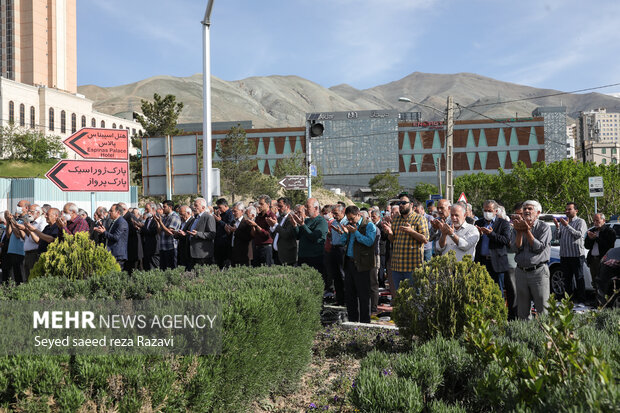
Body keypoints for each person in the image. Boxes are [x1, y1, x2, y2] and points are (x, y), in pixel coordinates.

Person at [511, 200, 552, 319]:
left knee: (543, 309)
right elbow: (515, 248)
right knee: (522, 310)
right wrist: (519, 231)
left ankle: (545, 335)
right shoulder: (516, 227)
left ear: (538, 212)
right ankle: (525, 335)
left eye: (530, 209)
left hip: (538, 272)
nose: (527, 211)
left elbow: (538, 247)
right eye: (525, 209)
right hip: (521, 272)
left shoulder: (544, 228)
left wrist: (527, 231)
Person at [382, 194, 429, 292]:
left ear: (411, 204)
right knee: (400, 298)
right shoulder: (396, 220)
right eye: (399, 203)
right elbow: (393, 240)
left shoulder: (419, 219)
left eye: (403, 203)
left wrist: (411, 231)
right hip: (397, 267)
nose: (401, 205)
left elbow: (425, 239)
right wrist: (390, 233)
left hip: (412, 267)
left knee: (414, 298)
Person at [341, 205, 377, 323]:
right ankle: (352, 321)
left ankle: (365, 322)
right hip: (349, 263)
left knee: (363, 296)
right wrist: (345, 233)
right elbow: (343, 242)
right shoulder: (351, 225)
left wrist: (356, 233)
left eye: (352, 219)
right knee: (350, 295)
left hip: (362, 265)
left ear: (358, 215)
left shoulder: (368, 225)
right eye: (348, 219)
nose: (350, 221)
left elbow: (369, 242)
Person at [474, 200, 512, 298]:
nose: (487, 213)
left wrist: (491, 234)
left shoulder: (503, 223)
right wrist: (478, 234)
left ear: (495, 211)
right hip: (481, 261)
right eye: (485, 210)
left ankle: (499, 312)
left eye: (489, 210)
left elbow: (506, 240)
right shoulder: (478, 222)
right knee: (481, 290)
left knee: (498, 291)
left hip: (497, 262)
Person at [554, 202, 588, 304]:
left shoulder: (580, 222)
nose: (567, 211)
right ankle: (568, 300)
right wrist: (557, 226)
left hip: (576, 255)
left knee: (579, 278)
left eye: (569, 209)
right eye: (566, 209)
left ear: (576, 211)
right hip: (565, 255)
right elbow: (556, 237)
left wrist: (567, 225)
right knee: (566, 279)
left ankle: (581, 300)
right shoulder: (563, 222)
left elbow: (579, 235)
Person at [292, 198, 328, 280]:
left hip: (314, 258)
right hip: (302, 257)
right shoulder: (307, 220)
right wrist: (295, 225)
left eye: (307, 207)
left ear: (316, 208)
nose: (305, 209)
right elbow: (298, 236)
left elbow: (314, 237)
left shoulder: (321, 221)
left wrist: (302, 225)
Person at [584, 213, 616, 291]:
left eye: (597, 220)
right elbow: (587, 246)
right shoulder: (592, 231)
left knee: (603, 282)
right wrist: (590, 239)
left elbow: (609, 245)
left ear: (603, 220)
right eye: (594, 221)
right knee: (595, 282)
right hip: (593, 260)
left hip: (603, 260)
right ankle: (596, 301)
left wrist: (596, 238)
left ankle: (603, 302)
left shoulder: (609, 231)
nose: (595, 223)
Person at [326, 204, 347, 306]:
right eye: (333, 213)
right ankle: (339, 299)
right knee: (336, 275)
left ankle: (346, 299)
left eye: (336, 213)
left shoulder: (347, 222)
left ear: (343, 212)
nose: (334, 216)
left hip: (342, 249)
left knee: (343, 274)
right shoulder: (334, 222)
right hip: (334, 248)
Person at [186, 198, 216, 268]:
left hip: (202, 254)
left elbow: (212, 234)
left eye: (196, 205)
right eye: (194, 205)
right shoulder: (195, 218)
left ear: (203, 207)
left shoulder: (208, 217)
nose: (194, 207)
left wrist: (197, 234)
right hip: (192, 252)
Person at [267, 197, 297, 266]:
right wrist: (272, 226)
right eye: (277, 206)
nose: (278, 208)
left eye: (280, 206)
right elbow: (275, 234)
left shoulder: (292, 218)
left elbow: (286, 234)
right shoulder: (280, 218)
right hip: (277, 255)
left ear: (288, 206)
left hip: (286, 257)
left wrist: (276, 225)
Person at [248, 195, 276, 267]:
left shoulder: (271, 216)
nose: (259, 206)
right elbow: (254, 234)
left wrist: (256, 226)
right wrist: (252, 226)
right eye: (259, 204)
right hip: (257, 247)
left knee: (266, 272)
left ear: (268, 204)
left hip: (266, 248)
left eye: (261, 204)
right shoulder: (258, 217)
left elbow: (268, 234)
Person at [154, 200, 182, 270]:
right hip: (163, 247)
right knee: (163, 269)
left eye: (164, 207)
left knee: (171, 269)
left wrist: (161, 223)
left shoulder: (174, 217)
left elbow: (169, 232)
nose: (163, 208)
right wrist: (158, 223)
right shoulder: (164, 217)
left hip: (171, 248)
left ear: (170, 207)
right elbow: (160, 232)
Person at [23, 204, 47, 278]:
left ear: (38, 213)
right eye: (28, 211)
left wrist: (30, 229)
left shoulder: (42, 222)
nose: (29, 213)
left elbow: (38, 240)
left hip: (34, 254)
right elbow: (27, 237)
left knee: (32, 277)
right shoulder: (32, 222)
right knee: (26, 277)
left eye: (31, 211)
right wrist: (25, 228)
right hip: (27, 254)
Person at [227, 202, 253, 266]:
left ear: (242, 211)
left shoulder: (246, 222)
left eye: (235, 211)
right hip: (233, 252)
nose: (233, 213)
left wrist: (236, 231)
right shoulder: (233, 221)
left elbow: (248, 237)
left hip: (243, 253)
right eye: (232, 211)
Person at [213, 198, 234, 268]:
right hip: (218, 241)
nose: (219, 210)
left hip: (225, 242)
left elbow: (228, 227)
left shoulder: (230, 214)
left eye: (220, 208)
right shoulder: (221, 214)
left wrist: (219, 221)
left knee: (225, 264)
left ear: (225, 206)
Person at [140, 202, 160, 270]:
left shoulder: (158, 218)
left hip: (154, 247)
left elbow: (153, 232)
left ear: (153, 209)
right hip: (147, 247)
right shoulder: (148, 219)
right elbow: (145, 231)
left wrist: (142, 227)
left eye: (147, 209)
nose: (145, 211)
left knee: (154, 267)